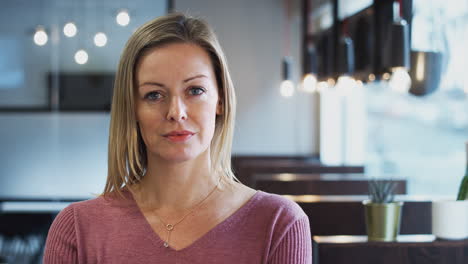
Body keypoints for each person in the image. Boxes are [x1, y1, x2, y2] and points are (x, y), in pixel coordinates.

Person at [43, 13, 312, 264]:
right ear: (132, 108)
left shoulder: (279, 223)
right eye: (154, 95)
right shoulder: (78, 227)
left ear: (220, 100)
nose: (176, 112)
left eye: (194, 90)